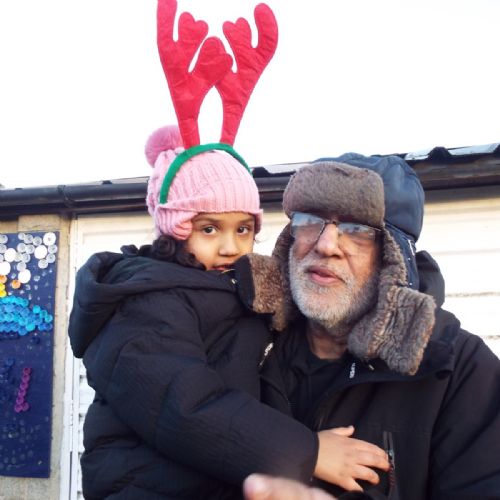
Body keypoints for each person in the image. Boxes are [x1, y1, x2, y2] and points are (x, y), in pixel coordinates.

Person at [67, 127, 391, 499]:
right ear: (175, 230)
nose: (230, 247)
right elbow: (186, 407)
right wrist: (309, 453)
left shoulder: (230, 291)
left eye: (243, 229)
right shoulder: (146, 302)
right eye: (209, 229)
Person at [237, 154, 500, 499]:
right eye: (310, 220)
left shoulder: (460, 372)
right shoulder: (242, 342)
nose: (326, 245)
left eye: (356, 229)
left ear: (395, 259)